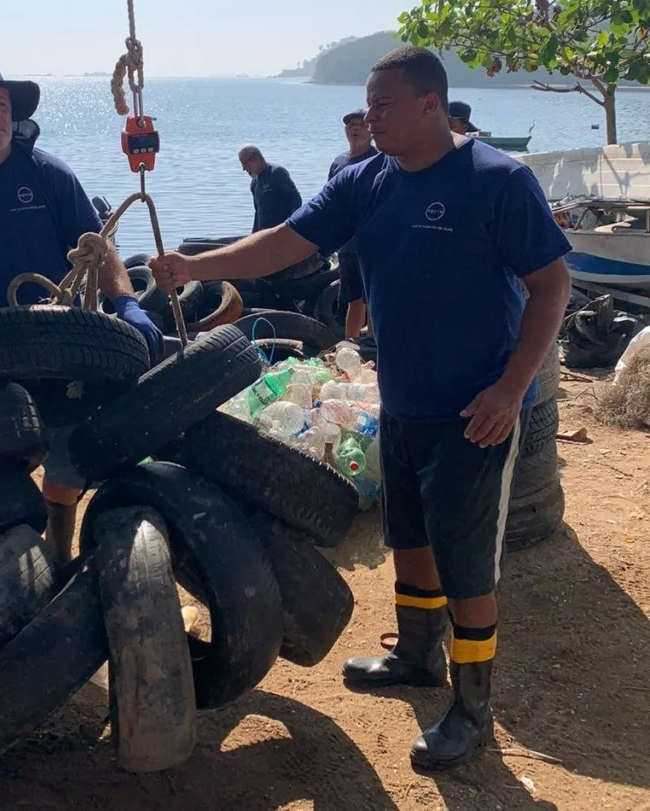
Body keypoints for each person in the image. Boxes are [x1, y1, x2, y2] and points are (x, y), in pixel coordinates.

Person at [151, 46, 572, 771]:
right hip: (400, 400)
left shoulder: (498, 181)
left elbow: (551, 285)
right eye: (367, 105)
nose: (368, 117)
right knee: (408, 536)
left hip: (476, 410)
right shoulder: (366, 181)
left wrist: (511, 389)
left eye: (382, 104)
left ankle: (473, 706)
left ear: (430, 105)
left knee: (467, 564)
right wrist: (198, 266)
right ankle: (415, 654)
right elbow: (285, 242)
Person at [0, 55, 162, 561]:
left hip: (56, 349)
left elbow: (99, 246)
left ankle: (60, 552)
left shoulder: (49, 176)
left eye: (0, 104)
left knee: (65, 457)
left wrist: (128, 303)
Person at [327, 109, 378, 340]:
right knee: (353, 299)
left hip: (374, 243)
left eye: (360, 124)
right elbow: (329, 202)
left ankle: (375, 343)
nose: (355, 129)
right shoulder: (339, 162)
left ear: (371, 130)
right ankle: (349, 343)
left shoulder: (380, 160)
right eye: (350, 125)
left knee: (375, 296)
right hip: (347, 244)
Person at [238, 144, 302, 233]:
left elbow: (296, 200)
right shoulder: (254, 183)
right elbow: (258, 212)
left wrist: (291, 227)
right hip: (265, 234)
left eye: (244, 163)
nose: (244, 169)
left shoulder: (276, 173)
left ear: (255, 159)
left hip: (283, 232)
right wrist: (253, 235)